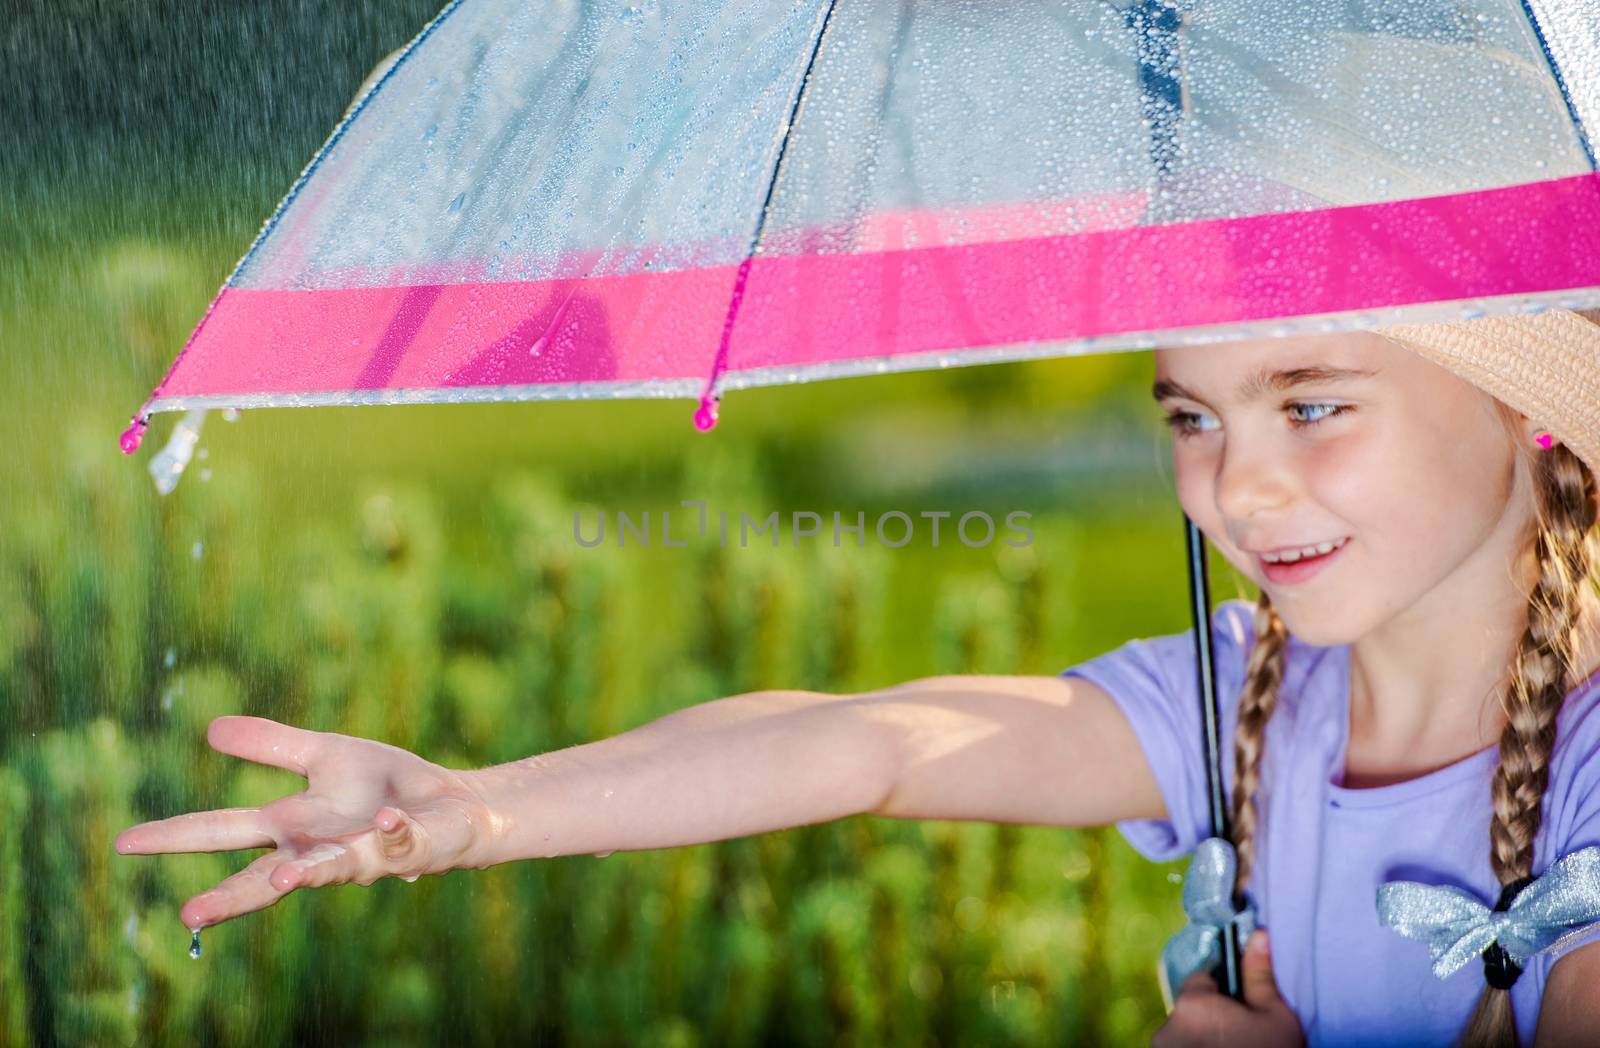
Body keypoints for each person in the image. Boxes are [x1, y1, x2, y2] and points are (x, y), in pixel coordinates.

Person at [117, 308, 1600, 1047]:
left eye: (1313, 404)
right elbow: (873, 740)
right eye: (1192, 416)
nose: (1242, 486)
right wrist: (476, 811)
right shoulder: (1249, 699)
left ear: (1527, 399)